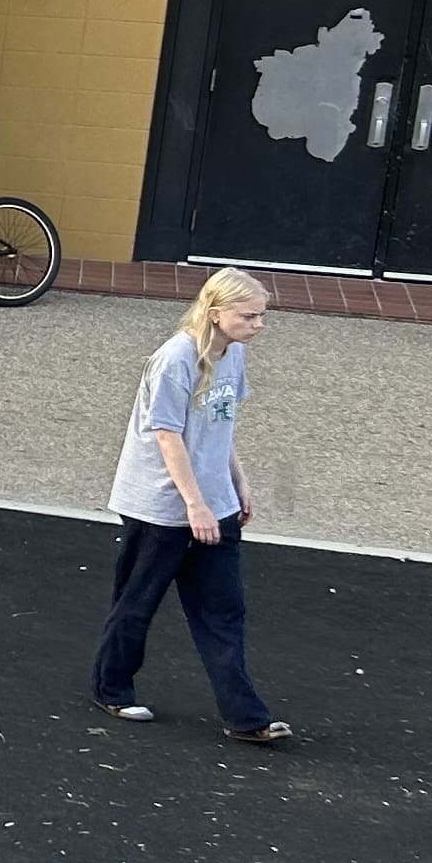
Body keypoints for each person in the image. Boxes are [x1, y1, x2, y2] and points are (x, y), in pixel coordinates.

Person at [93, 267, 288, 743]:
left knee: (224, 610)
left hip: (213, 502)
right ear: (216, 312)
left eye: (261, 315)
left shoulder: (234, 354)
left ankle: (245, 716)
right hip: (162, 507)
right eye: (249, 316)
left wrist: (237, 483)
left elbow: (220, 428)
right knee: (138, 601)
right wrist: (194, 506)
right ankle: (111, 688)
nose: (258, 325)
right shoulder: (175, 359)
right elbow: (167, 435)